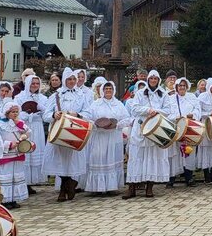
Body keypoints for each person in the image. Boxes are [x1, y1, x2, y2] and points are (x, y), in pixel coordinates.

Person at [43, 68, 89, 201]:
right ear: (64, 80)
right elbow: (45, 115)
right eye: (69, 79)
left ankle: (65, 188)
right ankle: (68, 185)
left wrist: (78, 114)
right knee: (60, 161)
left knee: (70, 161)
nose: (72, 81)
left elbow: (89, 113)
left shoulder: (82, 95)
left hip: (75, 131)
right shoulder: (56, 95)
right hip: (59, 131)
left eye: (74, 79)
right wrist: (54, 115)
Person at [83, 81, 129, 195]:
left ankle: (111, 187)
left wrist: (116, 125)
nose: (108, 91)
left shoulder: (118, 104)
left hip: (113, 136)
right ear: (102, 91)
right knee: (98, 158)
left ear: (113, 90)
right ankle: (97, 187)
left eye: (110, 89)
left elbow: (127, 119)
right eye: (106, 89)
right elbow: (87, 117)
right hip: (99, 136)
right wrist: (96, 125)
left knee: (112, 159)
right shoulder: (95, 104)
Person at [124, 79, 168, 198]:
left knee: (151, 158)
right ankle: (132, 187)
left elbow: (168, 110)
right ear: (148, 80)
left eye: (155, 78)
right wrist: (148, 110)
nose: (153, 80)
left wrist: (156, 112)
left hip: (154, 129)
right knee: (136, 157)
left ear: (158, 80)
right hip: (140, 128)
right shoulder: (139, 93)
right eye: (151, 78)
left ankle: (149, 187)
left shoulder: (163, 94)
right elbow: (134, 109)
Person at [163, 77, 200, 186]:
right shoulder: (171, 99)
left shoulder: (192, 97)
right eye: (180, 86)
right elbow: (167, 113)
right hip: (175, 129)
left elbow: (198, 109)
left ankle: (189, 177)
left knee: (188, 152)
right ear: (176, 87)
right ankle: (171, 178)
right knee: (174, 154)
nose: (182, 87)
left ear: (187, 87)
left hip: (189, 128)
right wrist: (177, 117)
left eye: (184, 86)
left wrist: (193, 115)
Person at [14, 73, 48, 189]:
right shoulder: (19, 97)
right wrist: (27, 115)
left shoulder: (43, 98)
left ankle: (33, 181)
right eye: (32, 83)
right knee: (25, 150)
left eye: (37, 83)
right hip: (24, 128)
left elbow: (47, 114)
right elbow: (16, 113)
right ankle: (24, 182)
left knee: (35, 152)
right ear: (27, 84)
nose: (35, 85)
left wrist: (40, 109)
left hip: (37, 127)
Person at [0, 101, 29, 207]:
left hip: (17, 154)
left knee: (15, 177)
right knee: (5, 177)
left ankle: (13, 199)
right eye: (13, 112)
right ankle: (5, 200)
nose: (15, 114)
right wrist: (9, 145)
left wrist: (22, 131)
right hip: (6, 155)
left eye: (17, 112)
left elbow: (28, 131)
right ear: (7, 112)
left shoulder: (19, 123)